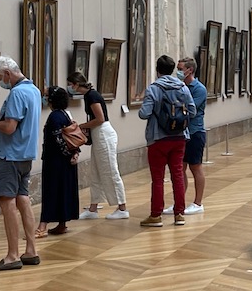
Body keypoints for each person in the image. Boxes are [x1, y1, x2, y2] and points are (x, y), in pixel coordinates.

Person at [0, 56, 42, 271]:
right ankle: (31, 250)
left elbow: (9, 128)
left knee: (7, 202)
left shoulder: (16, 93)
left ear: (7, 73)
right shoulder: (33, 89)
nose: (0, 83)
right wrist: (2, 116)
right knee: (23, 198)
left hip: (10, 155)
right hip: (26, 154)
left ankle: (12, 255)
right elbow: (19, 119)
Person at [138, 54, 194, 227]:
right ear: (172, 70)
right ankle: (179, 214)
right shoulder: (183, 87)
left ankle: (156, 215)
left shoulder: (153, 88)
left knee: (158, 178)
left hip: (158, 138)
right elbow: (191, 111)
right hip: (179, 137)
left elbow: (143, 114)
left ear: (157, 70)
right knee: (177, 175)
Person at [69, 70, 128, 220]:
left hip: (103, 134)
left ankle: (122, 207)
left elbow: (100, 118)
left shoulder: (92, 96)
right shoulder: (89, 95)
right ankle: (93, 208)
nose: (70, 87)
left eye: (71, 84)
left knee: (110, 170)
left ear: (76, 84)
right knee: (95, 171)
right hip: (98, 134)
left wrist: (81, 126)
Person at [37, 86, 79, 237]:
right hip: (65, 161)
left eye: (47, 95)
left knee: (51, 191)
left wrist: (68, 154)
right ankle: (62, 223)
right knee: (63, 191)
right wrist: (73, 154)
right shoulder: (64, 114)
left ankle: (42, 226)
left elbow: (58, 140)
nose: (45, 97)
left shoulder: (54, 116)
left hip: (55, 161)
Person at [178, 56, 209, 214]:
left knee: (195, 167)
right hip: (182, 133)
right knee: (180, 168)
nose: (178, 72)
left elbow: (189, 109)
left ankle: (198, 203)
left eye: (180, 69)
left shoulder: (199, 89)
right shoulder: (180, 86)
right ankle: (179, 202)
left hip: (195, 132)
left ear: (189, 70)